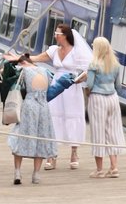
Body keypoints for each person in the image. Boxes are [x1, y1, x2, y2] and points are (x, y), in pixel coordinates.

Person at [26, 23, 91, 168]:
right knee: (54, 117)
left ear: (65, 36)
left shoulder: (77, 51)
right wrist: (21, 58)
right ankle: (52, 155)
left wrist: (79, 79)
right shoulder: (54, 50)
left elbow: (89, 70)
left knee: (72, 116)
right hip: (56, 86)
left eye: (58, 33)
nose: (55, 35)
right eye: (55, 33)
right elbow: (36, 58)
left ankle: (74, 153)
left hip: (71, 86)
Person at [75, 36, 125, 178]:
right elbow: (118, 86)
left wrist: (88, 93)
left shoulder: (94, 65)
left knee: (98, 132)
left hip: (98, 98)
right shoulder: (115, 64)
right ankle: (114, 167)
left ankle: (99, 169)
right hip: (113, 98)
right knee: (113, 132)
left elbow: (89, 84)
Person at [7, 62, 57, 185]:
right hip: (43, 106)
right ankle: (36, 174)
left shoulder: (23, 70)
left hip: (29, 105)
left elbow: (9, 74)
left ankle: (17, 172)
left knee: (21, 137)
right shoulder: (46, 71)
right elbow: (50, 86)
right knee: (41, 138)